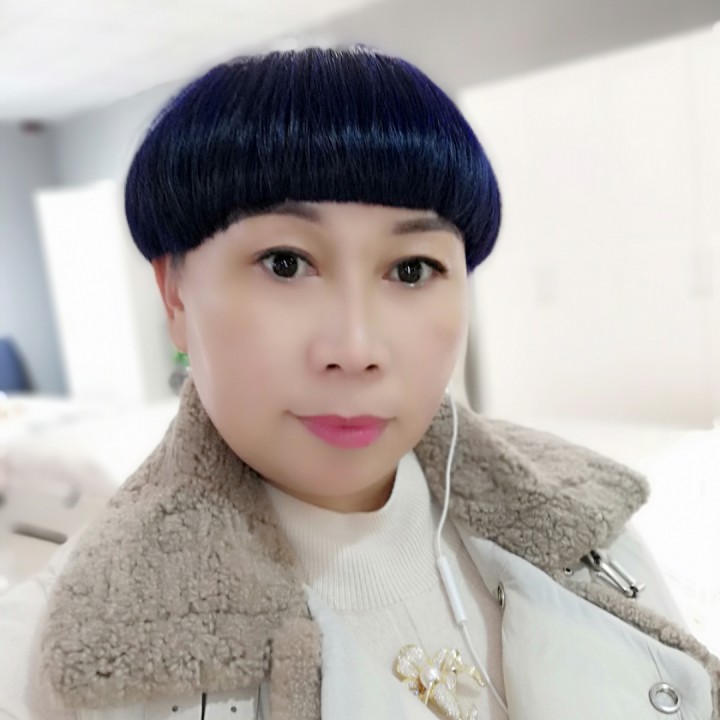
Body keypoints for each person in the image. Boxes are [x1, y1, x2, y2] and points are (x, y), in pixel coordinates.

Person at [1, 45, 718, 720]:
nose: (355, 349)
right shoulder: (62, 653)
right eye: (285, 263)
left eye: (411, 269)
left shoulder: (588, 522)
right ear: (176, 298)